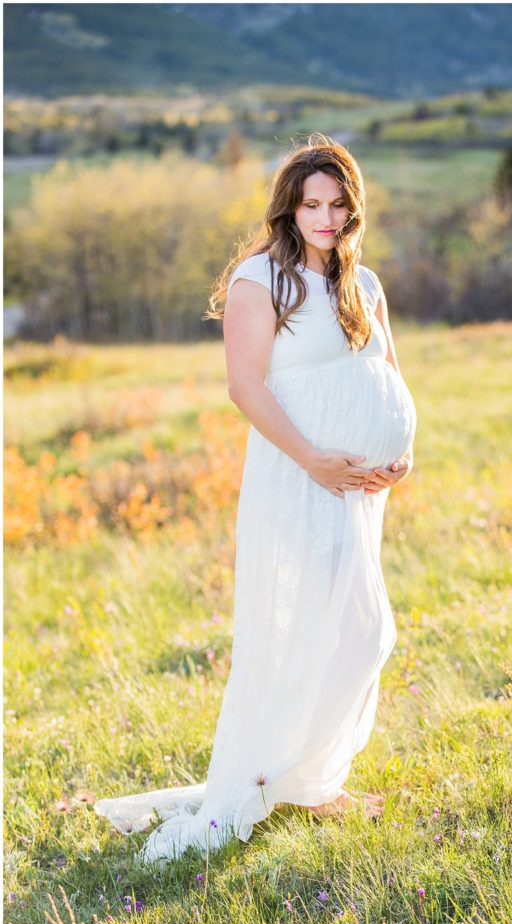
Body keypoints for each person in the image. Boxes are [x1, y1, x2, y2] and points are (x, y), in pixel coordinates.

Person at [94, 134, 417, 865]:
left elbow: (387, 374)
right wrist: (312, 460)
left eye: (338, 204)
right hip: (299, 479)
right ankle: (278, 778)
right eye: (312, 204)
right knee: (312, 629)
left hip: (357, 488)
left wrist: (401, 452)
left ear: (353, 208)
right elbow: (246, 386)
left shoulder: (362, 286)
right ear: (290, 208)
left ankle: (309, 778)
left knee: (361, 632)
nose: (326, 218)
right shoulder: (259, 280)